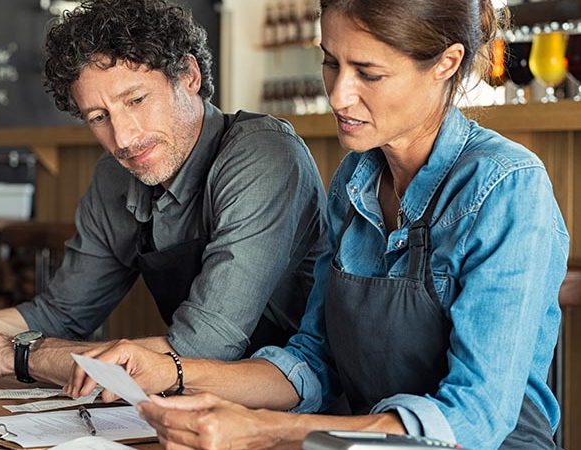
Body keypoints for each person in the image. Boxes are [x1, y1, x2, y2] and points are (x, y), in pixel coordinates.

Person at [68, 1, 568, 449]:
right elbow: (312, 361)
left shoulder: (505, 186)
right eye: (331, 63)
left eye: (368, 73)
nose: (339, 96)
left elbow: (476, 418)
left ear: (446, 63)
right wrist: (171, 372)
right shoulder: (356, 178)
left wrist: (267, 430)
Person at [0, 0, 327, 386]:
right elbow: (60, 313)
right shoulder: (116, 176)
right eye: (99, 117)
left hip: (300, 407)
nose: (123, 137)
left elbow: (203, 348)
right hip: (196, 407)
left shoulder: (262, 155)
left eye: (136, 100)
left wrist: (14, 355)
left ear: (189, 76)